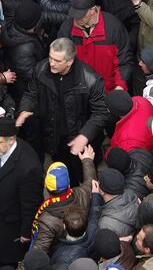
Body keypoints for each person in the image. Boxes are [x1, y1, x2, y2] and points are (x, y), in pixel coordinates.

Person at [16, 38, 107, 185]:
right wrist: (25, 108)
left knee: (82, 176)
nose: (51, 63)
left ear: (70, 61)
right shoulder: (40, 70)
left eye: (57, 61)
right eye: (50, 57)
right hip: (53, 136)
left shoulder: (90, 79)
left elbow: (101, 113)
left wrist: (84, 135)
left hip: (78, 138)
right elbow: (31, 93)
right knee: (63, 173)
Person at [0, 118, 43, 267]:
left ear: (11, 140)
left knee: (5, 265)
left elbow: (31, 205)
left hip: (10, 228)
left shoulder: (28, 168)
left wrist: (26, 232)